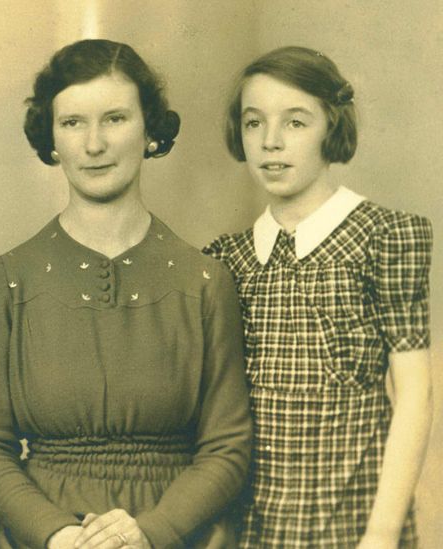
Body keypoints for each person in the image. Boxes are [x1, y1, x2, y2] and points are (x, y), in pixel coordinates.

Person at [0, 39, 252, 549]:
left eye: (115, 119)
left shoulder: (205, 280)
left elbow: (227, 449)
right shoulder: (5, 281)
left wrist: (152, 532)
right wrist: (57, 534)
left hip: (178, 534)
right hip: (42, 537)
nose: (94, 144)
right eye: (73, 122)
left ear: (149, 131)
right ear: (51, 138)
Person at [204, 46, 433, 548]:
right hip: (252, 526)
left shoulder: (385, 236)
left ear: (331, 125)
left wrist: (382, 533)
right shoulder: (227, 258)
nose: (270, 143)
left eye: (295, 123)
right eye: (253, 123)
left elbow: (415, 395)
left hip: (356, 523)